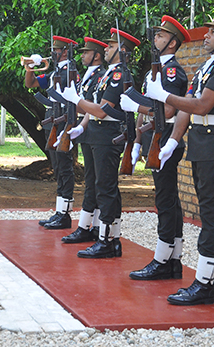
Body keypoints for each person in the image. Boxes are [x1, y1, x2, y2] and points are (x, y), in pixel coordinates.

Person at [144, 8, 214, 305]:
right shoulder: (207, 66)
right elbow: (185, 109)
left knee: (211, 215)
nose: (207, 35)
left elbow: (202, 106)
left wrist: (163, 95)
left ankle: (205, 282)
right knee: (209, 212)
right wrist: (171, 142)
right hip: (203, 144)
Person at [119, 15, 190, 280]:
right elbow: (145, 108)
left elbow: (169, 108)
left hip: (167, 138)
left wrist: (136, 106)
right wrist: (136, 141)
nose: (155, 39)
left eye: (161, 36)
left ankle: (163, 260)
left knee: (165, 199)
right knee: (169, 198)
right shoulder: (154, 70)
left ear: (172, 43)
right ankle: (173, 259)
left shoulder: (172, 71)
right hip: (153, 138)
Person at [59, 30, 141, 258]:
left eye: (111, 45)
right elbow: (93, 109)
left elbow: (103, 111)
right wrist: (82, 126)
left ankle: (107, 240)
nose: (106, 48)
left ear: (122, 50)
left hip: (108, 134)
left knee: (106, 188)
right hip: (98, 132)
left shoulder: (119, 75)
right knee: (99, 184)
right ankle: (105, 236)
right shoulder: (109, 74)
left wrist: (77, 100)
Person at [25, 35, 78, 230]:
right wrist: (30, 67)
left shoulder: (70, 71)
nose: (53, 53)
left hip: (63, 121)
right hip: (52, 122)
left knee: (64, 167)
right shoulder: (55, 71)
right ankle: (59, 211)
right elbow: (31, 84)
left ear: (65, 51)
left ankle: (65, 213)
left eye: (56, 50)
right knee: (57, 166)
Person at [60, 38, 106, 243]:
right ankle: (92, 225)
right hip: (89, 129)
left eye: (86, 52)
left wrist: (75, 102)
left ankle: (88, 226)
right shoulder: (89, 76)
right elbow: (86, 105)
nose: (82, 55)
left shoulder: (100, 76)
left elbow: (93, 105)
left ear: (96, 55)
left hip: (98, 130)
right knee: (91, 179)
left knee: (96, 181)